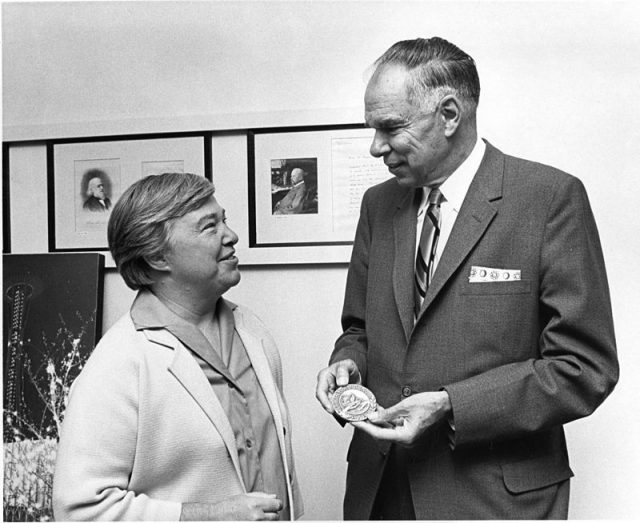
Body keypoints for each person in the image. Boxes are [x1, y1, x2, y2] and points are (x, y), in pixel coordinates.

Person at [315, 37, 618, 520]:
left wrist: (450, 405)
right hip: (380, 494)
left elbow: (584, 368)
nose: (376, 148)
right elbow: (359, 329)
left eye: (390, 128)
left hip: (493, 501)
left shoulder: (549, 199)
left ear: (450, 114)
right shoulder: (379, 205)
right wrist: (346, 362)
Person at [53, 172, 303, 521]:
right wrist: (207, 516)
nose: (231, 236)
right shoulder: (119, 364)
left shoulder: (254, 333)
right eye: (208, 227)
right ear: (157, 257)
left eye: (224, 221)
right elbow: (81, 510)